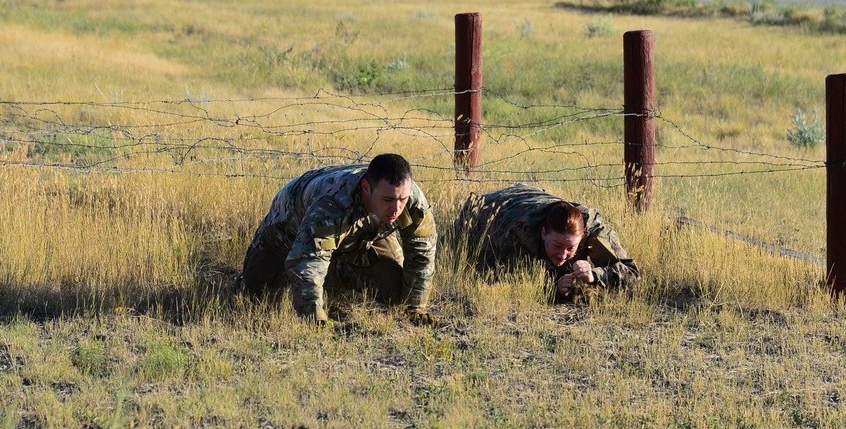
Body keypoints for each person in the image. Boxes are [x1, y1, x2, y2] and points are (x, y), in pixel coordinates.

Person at [238, 154, 438, 325]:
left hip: (361, 236)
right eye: (388, 200)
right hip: (287, 232)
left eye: (401, 200)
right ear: (366, 187)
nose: (396, 209)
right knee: (254, 294)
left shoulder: (413, 200)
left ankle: (334, 275)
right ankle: (321, 277)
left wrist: (414, 307)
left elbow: (422, 254)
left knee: (397, 292)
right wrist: (314, 316)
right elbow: (309, 258)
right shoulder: (332, 203)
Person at [458, 183, 638, 302]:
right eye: (557, 246)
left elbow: (632, 275)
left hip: (533, 196)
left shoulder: (593, 228)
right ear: (544, 234)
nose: (562, 255)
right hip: (487, 209)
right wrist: (553, 289)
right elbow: (502, 284)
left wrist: (594, 276)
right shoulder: (515, 233)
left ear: (582, 237)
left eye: (570, 248)